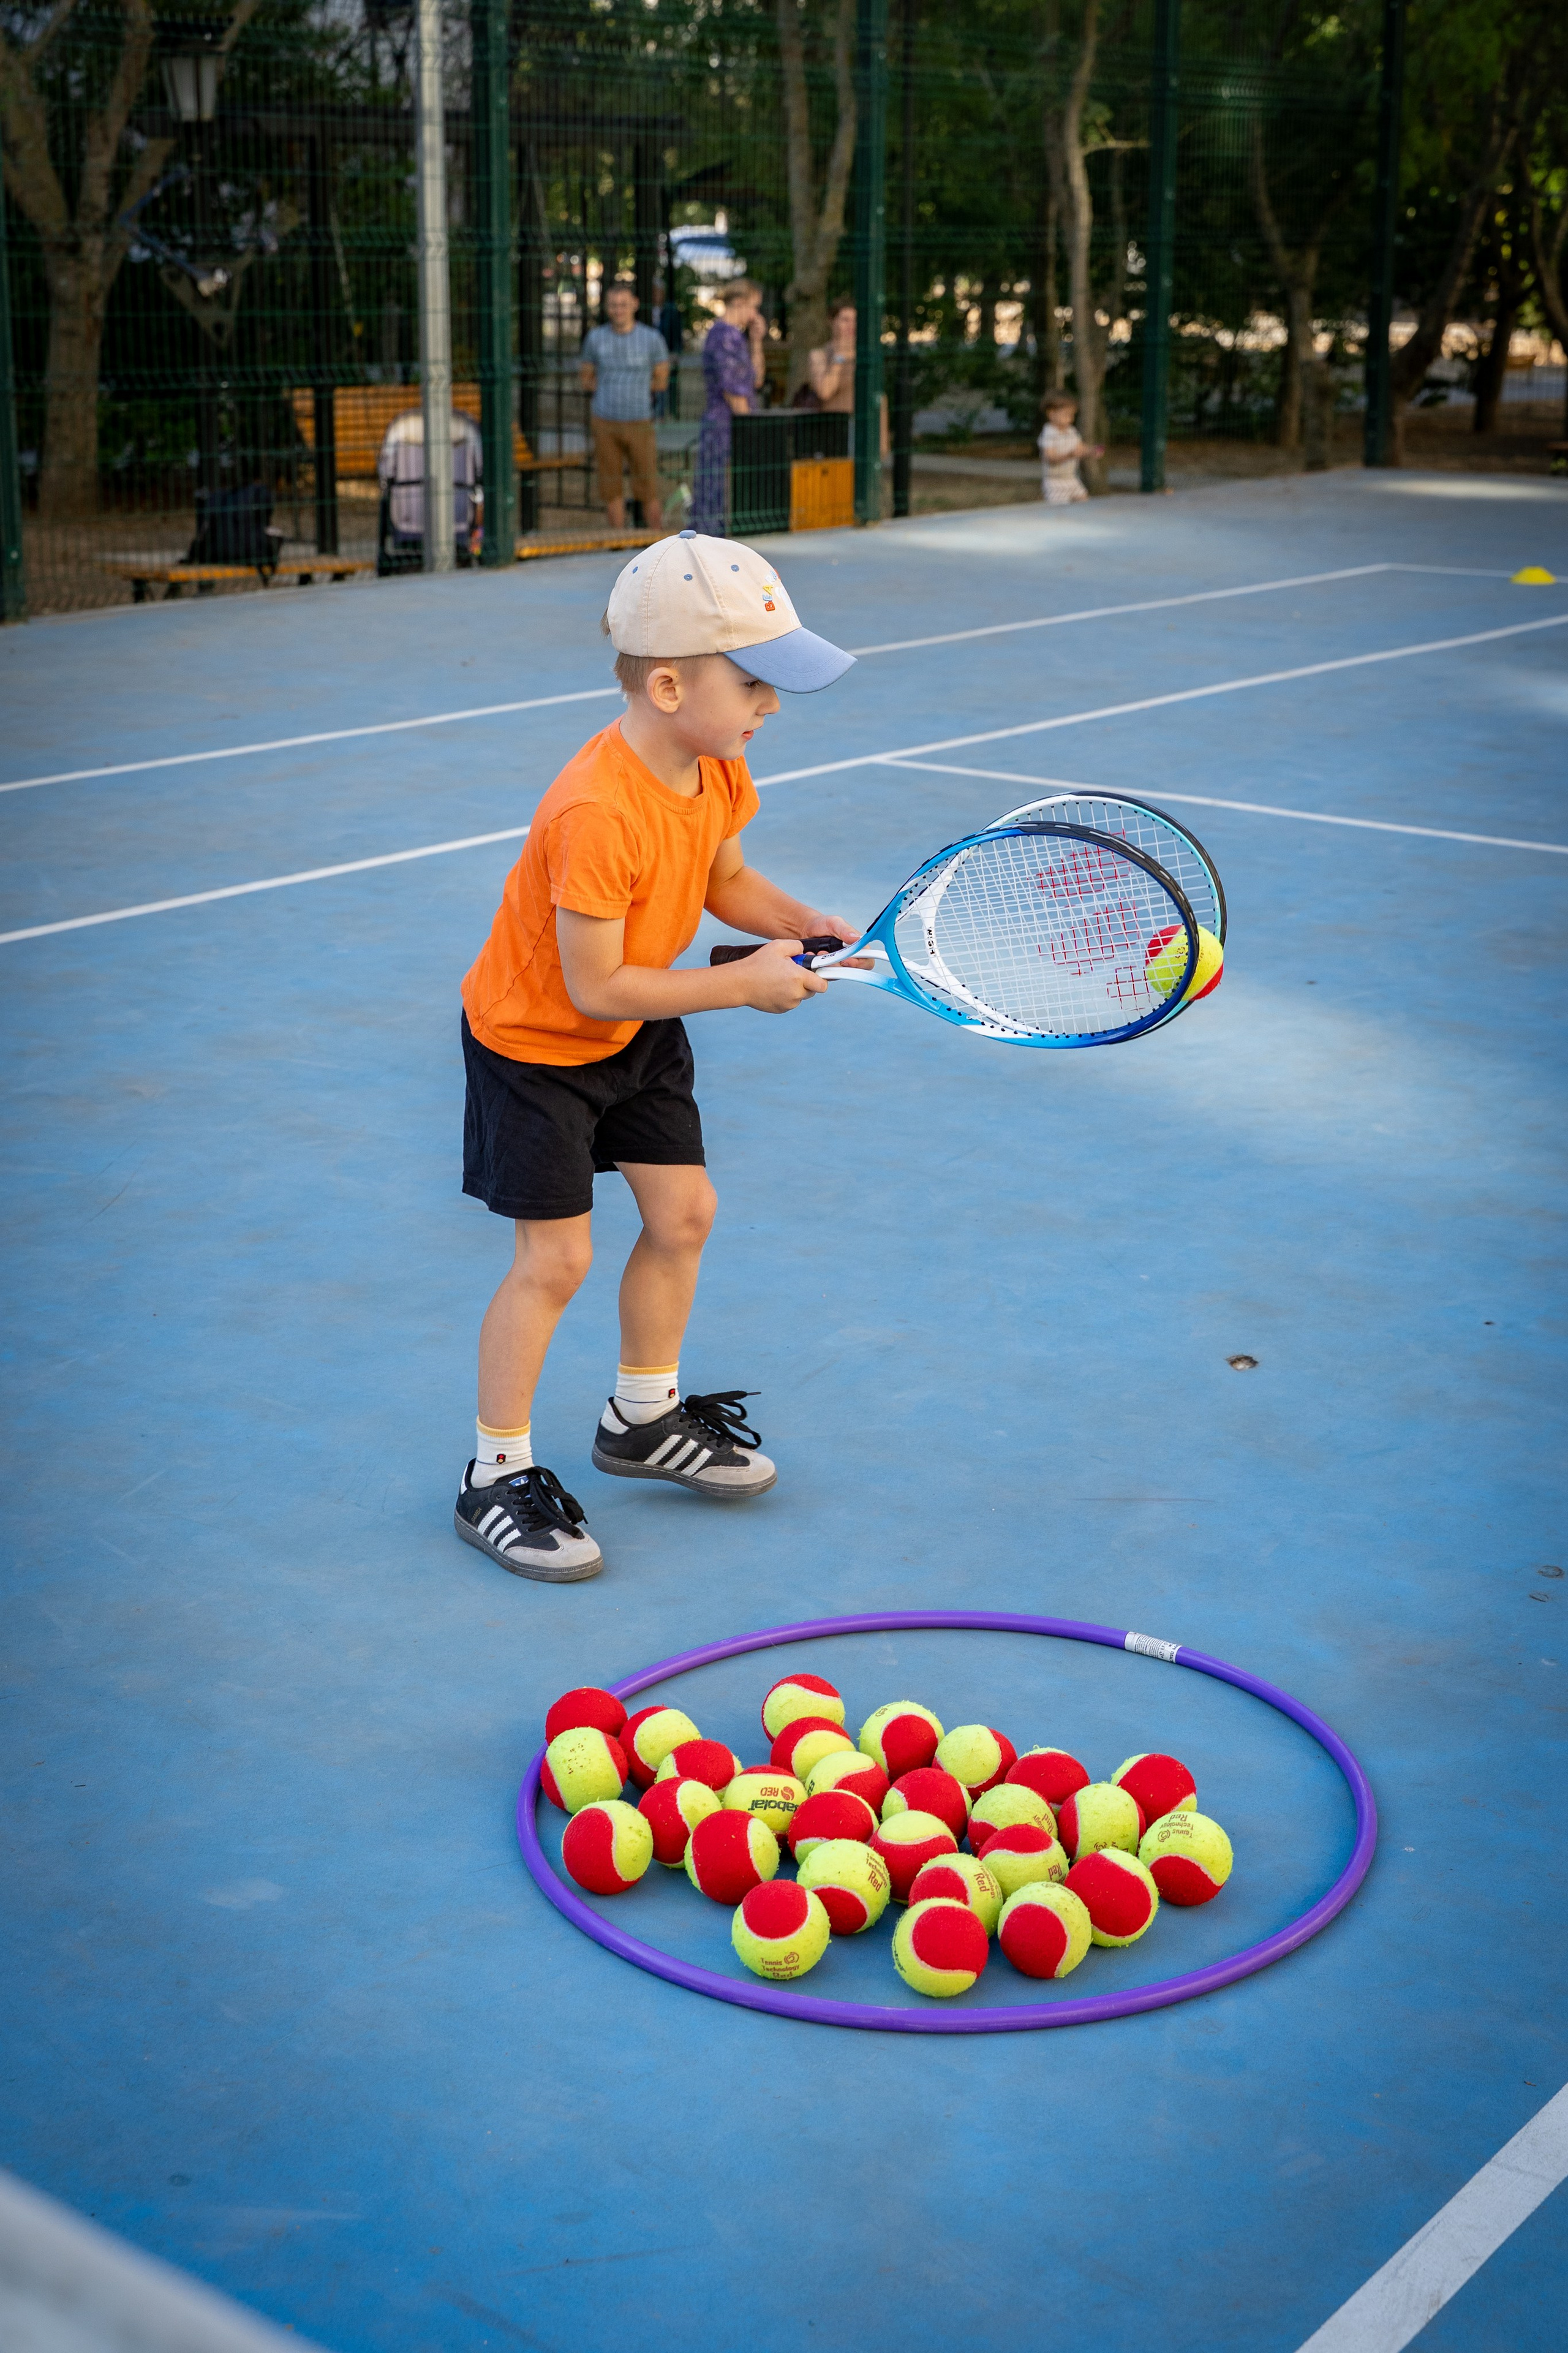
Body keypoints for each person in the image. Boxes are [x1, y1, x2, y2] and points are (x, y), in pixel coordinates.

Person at [454, 529, 858, 1581]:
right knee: (557, 1262)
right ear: (671, 684)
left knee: (684, 1216)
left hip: (636, 1031)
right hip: (538, 1045)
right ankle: (493, 1476)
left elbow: (726, 883)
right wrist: (744, 984)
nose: (772, 706)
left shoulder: (714, 767)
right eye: (757, 682)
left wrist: (800, 918)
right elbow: (594, 986)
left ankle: (640, 1418)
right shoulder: (597, 811)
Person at [579, 283, 670, 529]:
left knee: (648, 485)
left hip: (640, 421)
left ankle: (657, 543)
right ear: (607, 308)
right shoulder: (595, 338)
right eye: (613, 305)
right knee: (611, 487)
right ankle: (618, 545)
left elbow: (661, 380)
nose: (619, 310)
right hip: (605, 420)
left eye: (623, 304)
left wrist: (636, 389)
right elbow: (586, 378)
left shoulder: (652, 339)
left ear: (635, 305)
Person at [691, 280, 766, 535]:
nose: (756, 314)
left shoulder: (735, 336)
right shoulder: (725, 335)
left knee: (720, 483)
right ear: (740, 303)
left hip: (731, 420)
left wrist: (756, 341)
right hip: (726, 422)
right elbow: (733, 390)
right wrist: (749, 431)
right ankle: (711, 536)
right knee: (716, 485)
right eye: (754, 307)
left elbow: (756, 380)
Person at [1038, 393, 1102, 505]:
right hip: (1055, 482)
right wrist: (1070, 455)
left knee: (1084, 504)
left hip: (1072, 479)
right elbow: (1051, 458)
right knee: (1061, 513)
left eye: (1072, 415)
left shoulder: (1071, 431)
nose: (1071, 419)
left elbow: (1080, 447)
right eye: (1066, 415)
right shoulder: (1049, 433)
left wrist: (1091, 451)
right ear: (1052, 414)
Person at [806, 296, 858, 413]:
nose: (852, 325)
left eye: (855, 320)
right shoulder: (818, 355)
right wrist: (839, 357)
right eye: (845, 320)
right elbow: (824, 392)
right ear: (831, 321)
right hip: (836, 424)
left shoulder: (866, 354)